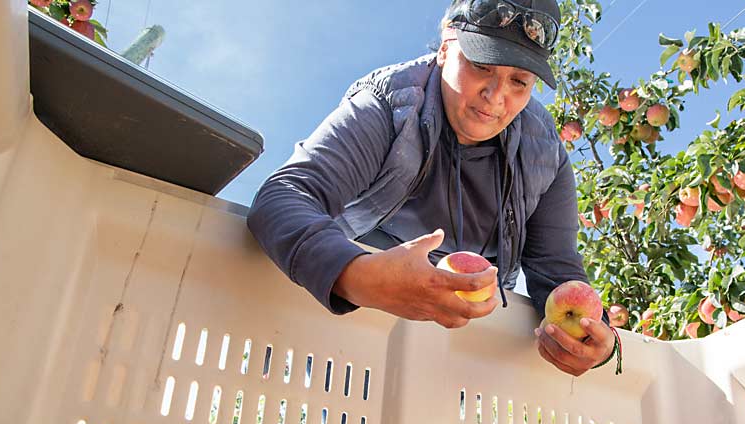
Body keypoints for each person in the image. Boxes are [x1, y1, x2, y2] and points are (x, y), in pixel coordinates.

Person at [247, 0, 621, 377]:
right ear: (445, 48)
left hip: (457, 351)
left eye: (519, 82)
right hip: (343, 326)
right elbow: (283, 196)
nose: (495, 95)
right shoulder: (388, 105)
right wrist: (360, 277)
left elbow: (559, 276)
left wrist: (595, 342)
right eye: (480, 65)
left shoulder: (546, 155)